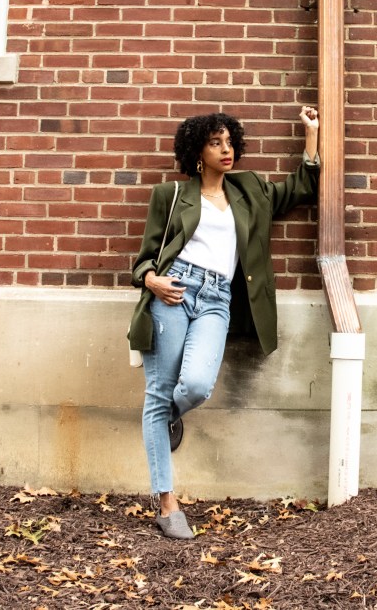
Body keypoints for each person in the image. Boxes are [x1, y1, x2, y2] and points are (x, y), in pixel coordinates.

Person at [127, 106, 321, 539]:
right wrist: (152, 280)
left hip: (217, 298)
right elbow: (143, 261)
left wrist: (311, 134)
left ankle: (166, 416)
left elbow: (300, 188)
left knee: (196, 386)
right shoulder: (170, 195)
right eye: (215, 143)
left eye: (230, 142)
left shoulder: (249, 189)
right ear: (198, 152)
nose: (225, 150)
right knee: (159, 389)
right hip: (174, 291)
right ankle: (167, 503)